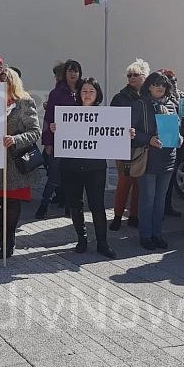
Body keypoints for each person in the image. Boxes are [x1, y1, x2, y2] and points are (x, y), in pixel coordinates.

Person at [0, 67, 41, 257]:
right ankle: (2, 230)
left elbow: (35, 132)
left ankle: (8, 239)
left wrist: (15, 139)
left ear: (11, 83)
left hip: (13, 163)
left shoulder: (24, 102)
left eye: (2, 81)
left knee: (11, 202)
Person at [53, 77, 116, 257]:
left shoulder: (106, 115)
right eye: (84, 91)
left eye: (91, 91)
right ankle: (82, 238)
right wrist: (56, 128)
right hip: (71, 167)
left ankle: (102, 243)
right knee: (75, 204)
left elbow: (114, 135)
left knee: (97, 205)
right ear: (79, 94)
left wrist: (127, 133)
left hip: (95, 168)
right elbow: (60, 136)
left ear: (97, 95)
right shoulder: (68, 114)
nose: (87, 95)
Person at [131, 72, 182, 250]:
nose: (160, 87)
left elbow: (177, 127)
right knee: (148, 199)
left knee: (160, 200)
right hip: (148, 159)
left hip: (168, 158)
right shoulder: (140, 105)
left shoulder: (171, 105)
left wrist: (179, 138)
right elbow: (130, 132)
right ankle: (145, 235)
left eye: (163, 84)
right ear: (149, 86)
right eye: (156, 84)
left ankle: (157, 234)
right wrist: (148, 139)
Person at [36, 59, 82, 219]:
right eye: (70, 70)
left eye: (76, 71)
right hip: (59, 141)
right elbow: (48, 118)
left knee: (73, 177)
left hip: (79, 143)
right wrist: (47, 142)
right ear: (65, 73)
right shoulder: (56, 93)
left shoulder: (84, 90)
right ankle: (43, 205)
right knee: (54, 176)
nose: (73, 73)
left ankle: (71, 207)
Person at [109, 58, 150, 230]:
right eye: (129, 75)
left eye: (135, 74)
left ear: (144, 77)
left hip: (143, 147)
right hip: (124, 146)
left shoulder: (149, 97)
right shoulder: (120, 97)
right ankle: (117, 216)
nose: (131, 78)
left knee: (139, 183)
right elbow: (111, 120)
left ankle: (134, 215)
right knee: (124, 182)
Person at [158, 68, 184, 218]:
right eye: (169, 81)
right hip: (162, 141)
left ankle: (167, 206)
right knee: (160, 181)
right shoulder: (161, 97)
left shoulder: (180, 95)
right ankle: (160, 209)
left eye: (174, 80)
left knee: (171, 176)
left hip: (176, 138)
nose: (173, 83)